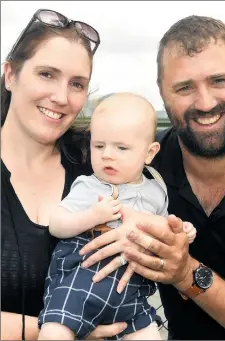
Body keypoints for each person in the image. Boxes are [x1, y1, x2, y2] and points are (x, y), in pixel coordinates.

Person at [78, 15, 225, 340]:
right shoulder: (140, 166)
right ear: (161, 91)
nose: (205, 103)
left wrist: (186, 273)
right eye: (185, 87)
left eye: (219, 80)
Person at [1, 8, 130, 341]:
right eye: (46, 74)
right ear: (10, 74)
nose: (61, 97)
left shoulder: (97, 165)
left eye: (77, 84)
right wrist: (61, 329)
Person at [37, 92, 197, 340]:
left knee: (150, 334)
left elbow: (164, 228)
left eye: (121, 148)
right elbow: (56, 225)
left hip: (131, 288)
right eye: (99, 146)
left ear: (149, 153)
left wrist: (180, 230)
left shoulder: (156, 188)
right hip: (84, 280)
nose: (107, 155)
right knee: (55, 331)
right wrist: (91, 216)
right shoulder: (89, 186)